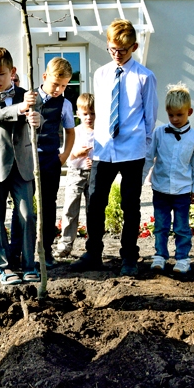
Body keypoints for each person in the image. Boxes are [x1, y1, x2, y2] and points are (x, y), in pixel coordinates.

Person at [70, 19, 158, 277]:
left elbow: (150, 119)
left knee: (130, 205)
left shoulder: (145, 77)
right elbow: (102, 113)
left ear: (134, 46)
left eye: (123, 50)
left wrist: (147, 155)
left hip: (132, 150)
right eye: (112, 49)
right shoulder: (101, 74)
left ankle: (129, 256)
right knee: (95, 201)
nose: (117, 55)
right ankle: (93, 253)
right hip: (105, 149)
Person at [0, 47, 40, 285]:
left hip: (23, 166)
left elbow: (40, 121)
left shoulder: (29, 95)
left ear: (12, 71)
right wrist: (21, 109)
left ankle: (29, 264)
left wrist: (37, 119)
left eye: (1, 74)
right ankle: (2, 267)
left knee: (27, 215)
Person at [143, 83, 194, 275]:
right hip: (160, 189)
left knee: (181, 227)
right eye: (171, 115)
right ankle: (160, 256)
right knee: (161, 225)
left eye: (180, 115)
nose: (175, 119)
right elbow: (148, 157)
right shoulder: (159, 133)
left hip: (182, 191)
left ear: (190, 112)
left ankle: (183, 259)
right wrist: (140, 179)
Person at [34, 57, 76, 266]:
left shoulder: (65, 104)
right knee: (24, 206)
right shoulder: (29, 98)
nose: (58, 89)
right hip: (28, 159)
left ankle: (46, 250)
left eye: (64, 85)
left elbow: (70, 131)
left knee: (48, 205)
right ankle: (23, 249)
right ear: (44, 77)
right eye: (55, 84)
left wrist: (64, 155)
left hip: (51, 160)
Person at [54, 92, 95, 259]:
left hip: (93, 174)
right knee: (70, 209)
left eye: (92, 113)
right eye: (85, 114)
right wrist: (76, 153)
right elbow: (68, 156)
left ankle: (93, 244)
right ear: (78, 114)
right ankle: (65, 243)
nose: (89, 117)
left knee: (93, 210)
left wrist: (95, 162)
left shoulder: (100, 133)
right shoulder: (75, 132)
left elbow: (105, 154)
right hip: (76, 173)